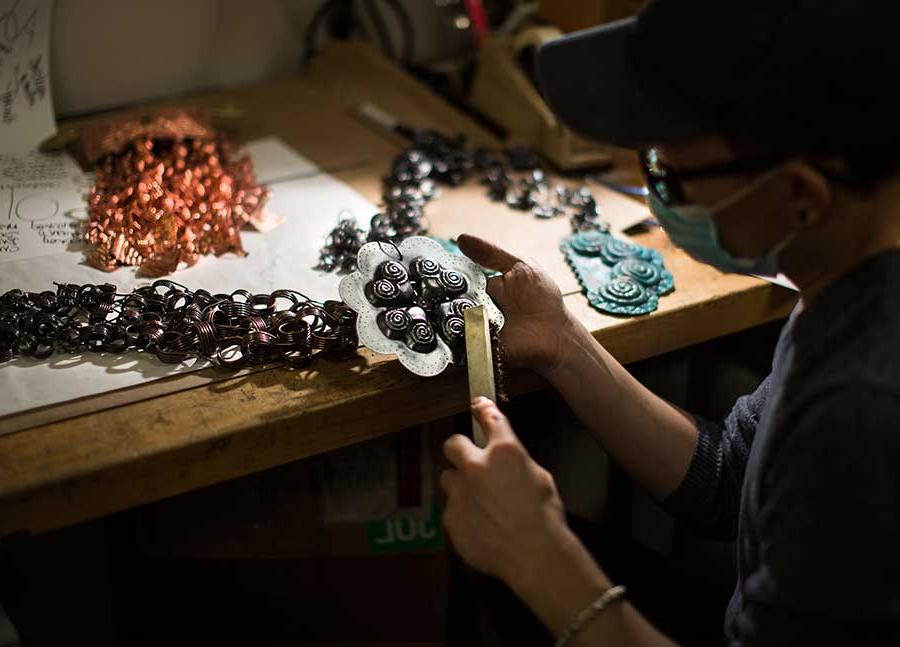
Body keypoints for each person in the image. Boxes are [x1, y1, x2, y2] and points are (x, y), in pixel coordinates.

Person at [439, 1, 900, 645]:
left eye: (670, 174)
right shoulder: (842, 276)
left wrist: (538, 558)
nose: (657, 201)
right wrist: (565, 344)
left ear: (801, 197)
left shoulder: (863, 404)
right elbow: (729, 479)